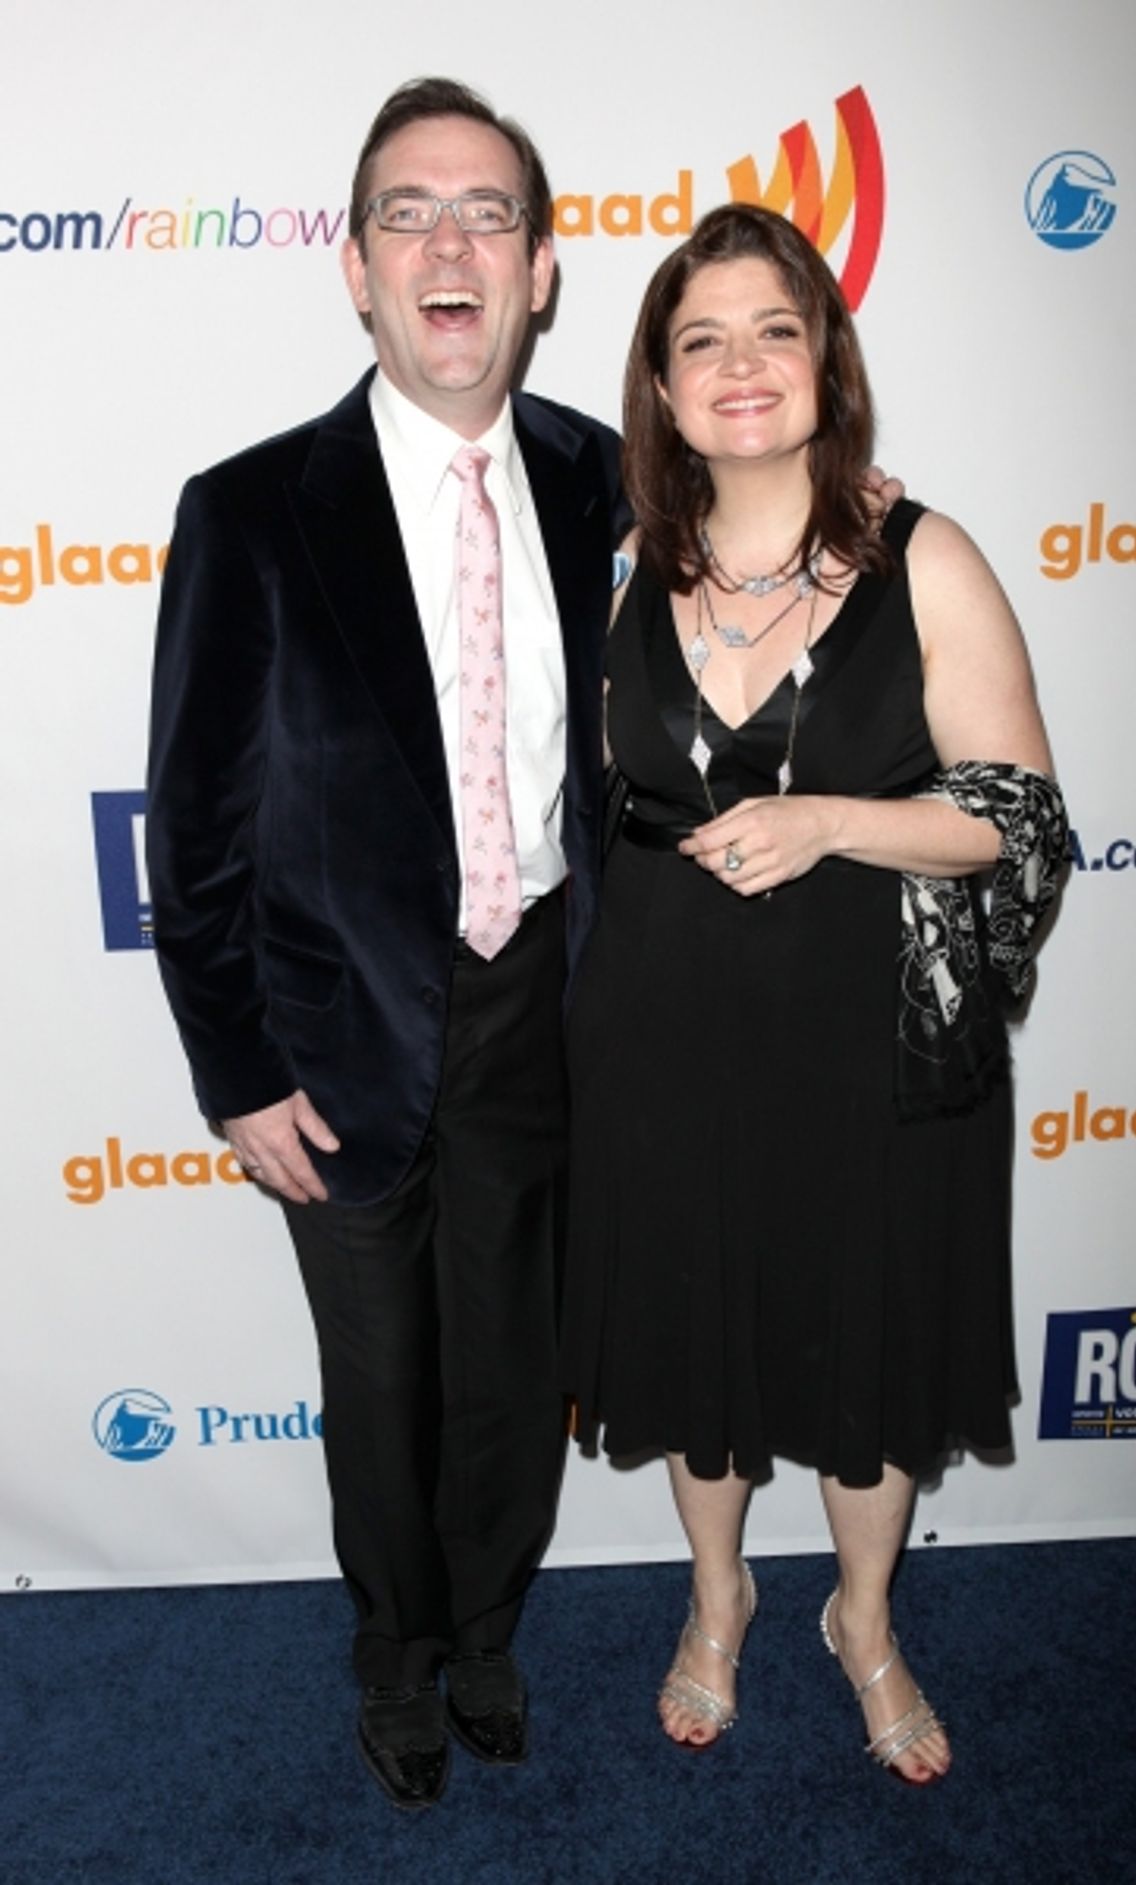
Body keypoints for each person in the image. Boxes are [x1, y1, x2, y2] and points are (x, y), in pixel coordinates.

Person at [146, 77, 628, 1812]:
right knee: (385, 1384)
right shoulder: (253, 510)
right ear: (357, 270)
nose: (449, 242)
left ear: (542, 268)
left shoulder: (604, 482)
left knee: (512, 1364)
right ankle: (398, 1654)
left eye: (487, 212)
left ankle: (489, 1631)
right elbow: (191, 827)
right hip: (336, 1032)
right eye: (409, 213)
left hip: (537, 1009)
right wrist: (235, 1069)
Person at [560, 204, 1067, 1783]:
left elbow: (1019, 812)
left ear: (825, 357)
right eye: (699, 338)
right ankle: (718, 1596)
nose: (740, 365)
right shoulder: (622, 565)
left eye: (773, 328)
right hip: (656, 1032)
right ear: (659, 378)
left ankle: (865, 1616)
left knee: (871, 1346)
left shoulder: (927, 554)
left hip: (869, 1047)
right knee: (696, 1338)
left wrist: (832, 819)